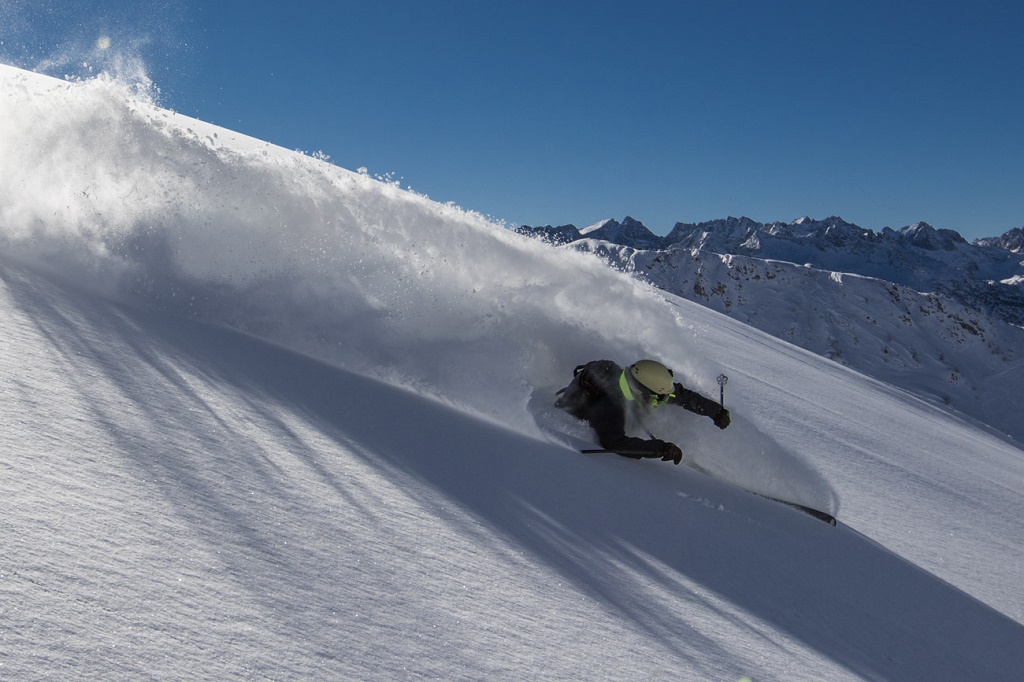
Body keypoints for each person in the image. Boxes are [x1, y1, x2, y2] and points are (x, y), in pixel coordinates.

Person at [555, 359, 730, 465]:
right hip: (584, 417)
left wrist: (715, 412)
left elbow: (683, 396)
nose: (662, 401)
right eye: (658, 399)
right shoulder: (611, 405)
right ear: (641, 392)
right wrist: (658, 448)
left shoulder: (640, 383)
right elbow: (614, 442)